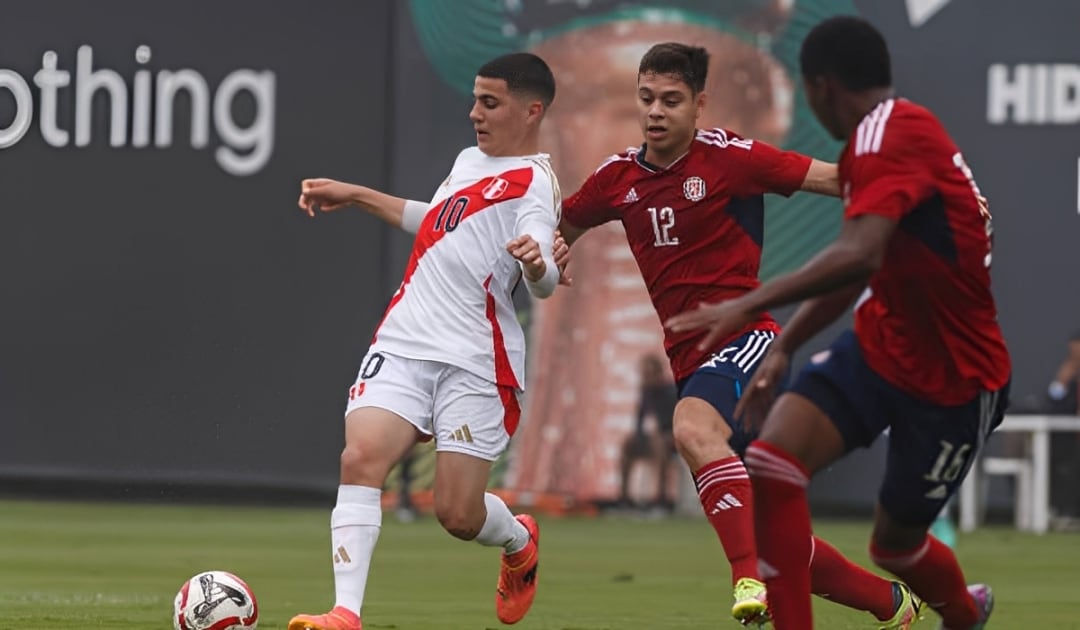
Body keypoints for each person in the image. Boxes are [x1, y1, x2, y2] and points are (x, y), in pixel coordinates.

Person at [666, 16, 1011, 630]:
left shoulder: (897, 132)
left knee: (895, 545)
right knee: (772, 463)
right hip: (880, 346)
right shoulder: (866, 148)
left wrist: (751, 304)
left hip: (954, 374)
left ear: (822, 86)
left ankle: (962, 614)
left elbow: (858, 253)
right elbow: (857, 269)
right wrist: (784, 348)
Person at [559, 42, 919, 628]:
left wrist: (924, 195)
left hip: (749, 339)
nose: (655, 111)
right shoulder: (615, 178)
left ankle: (745, 578)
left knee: (691, 429)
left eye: (671, 100)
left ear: (699, 104)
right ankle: (892, 605)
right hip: (689, 361)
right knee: (773, 533)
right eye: (646, 97)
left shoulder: (733, 158)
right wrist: (546, 254)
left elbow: (833, 179)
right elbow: (560, 230)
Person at [288, 52, 565, 630]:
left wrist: (538, 265)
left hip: (476, 360)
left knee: (458, 515)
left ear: (531, 110)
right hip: (408, 337)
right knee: (360, 457)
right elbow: (439, 221)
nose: (474, 114)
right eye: (474, 100)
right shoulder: (469, 160)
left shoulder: (535, 182)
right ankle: (345, 612)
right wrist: (359, 194)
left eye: (489, 103)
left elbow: (545, 280)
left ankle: (518, 540)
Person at [618, 354, 678, 511]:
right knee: (628, 444)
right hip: (657, 438)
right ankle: (624, 498)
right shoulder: (646, 392)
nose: (645, 378)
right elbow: (640, 418)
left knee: (658, 442)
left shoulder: (671, 391)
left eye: (648, 374)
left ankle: (660, 498)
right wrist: (637, 436)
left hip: (674, 438)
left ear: (658, 374)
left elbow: (678, 421)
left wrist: (668, 436)